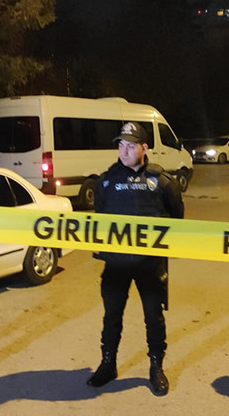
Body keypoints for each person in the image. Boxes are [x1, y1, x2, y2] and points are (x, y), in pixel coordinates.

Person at [86, 122, 184, 396]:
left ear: (145, 148)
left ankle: (156, 367)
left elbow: (178, 221)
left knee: (154, 318)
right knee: (111, 316)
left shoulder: (162, 182)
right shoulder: (106, 181)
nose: (124, 151)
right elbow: (101, 216)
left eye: (130, 145)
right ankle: (108, 364)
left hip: (150, 265)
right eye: (121, 145)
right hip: (116, 264)